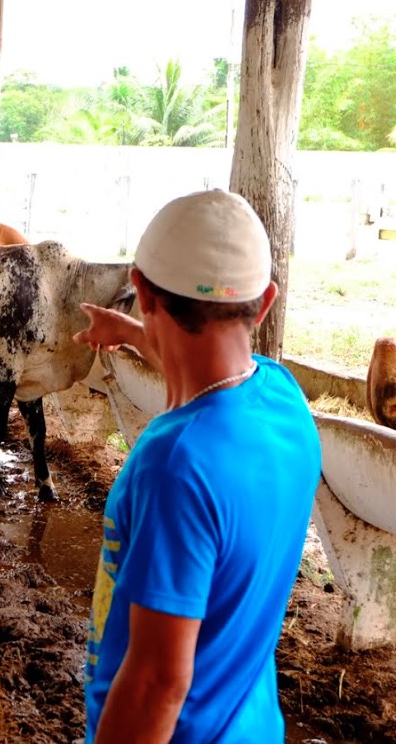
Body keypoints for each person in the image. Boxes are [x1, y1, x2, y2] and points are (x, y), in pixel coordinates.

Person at [74, 189, 322, 743]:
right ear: (264, 303)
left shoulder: (175, 466)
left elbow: (157, 684)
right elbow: (207, 371)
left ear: (139, 289)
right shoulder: (283, 399)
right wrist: (135, 334)